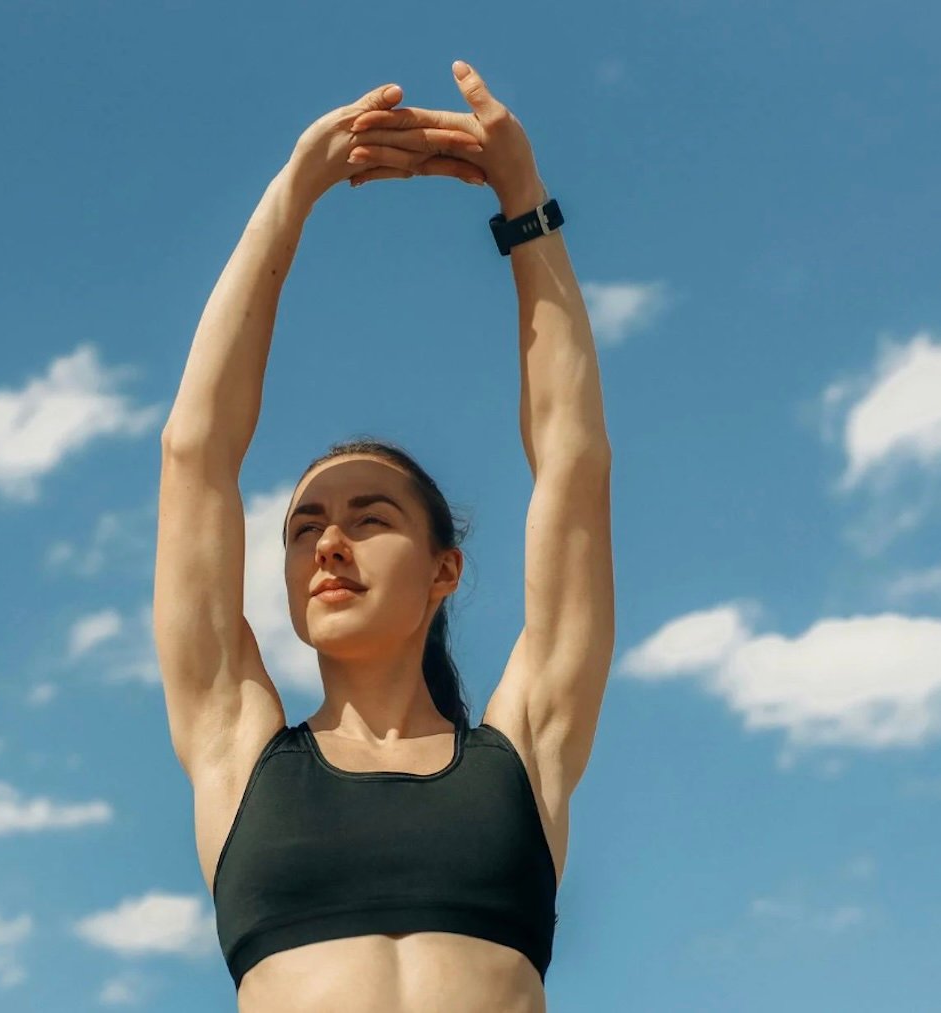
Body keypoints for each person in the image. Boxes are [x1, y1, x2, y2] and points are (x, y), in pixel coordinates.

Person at [154, 59, 615, 1012]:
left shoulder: (525, 750)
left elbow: (573, 463)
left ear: (445, 568)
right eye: (306, 525)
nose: (328, 543)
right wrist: (293, 195)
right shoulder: (235, 745)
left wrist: (524, 203)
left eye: (371, 519)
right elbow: (196, 454)